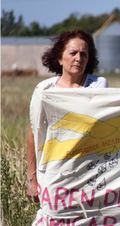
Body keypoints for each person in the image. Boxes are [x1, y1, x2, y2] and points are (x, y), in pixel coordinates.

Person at [27, 29, 108, 203]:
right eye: (73, 53)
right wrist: (32, 179)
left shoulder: (97, 85)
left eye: (84, 54)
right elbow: (34, 133)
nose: (79, 58)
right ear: (59, 58)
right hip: (54, 172)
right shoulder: (44, 89)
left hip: (89, 172)